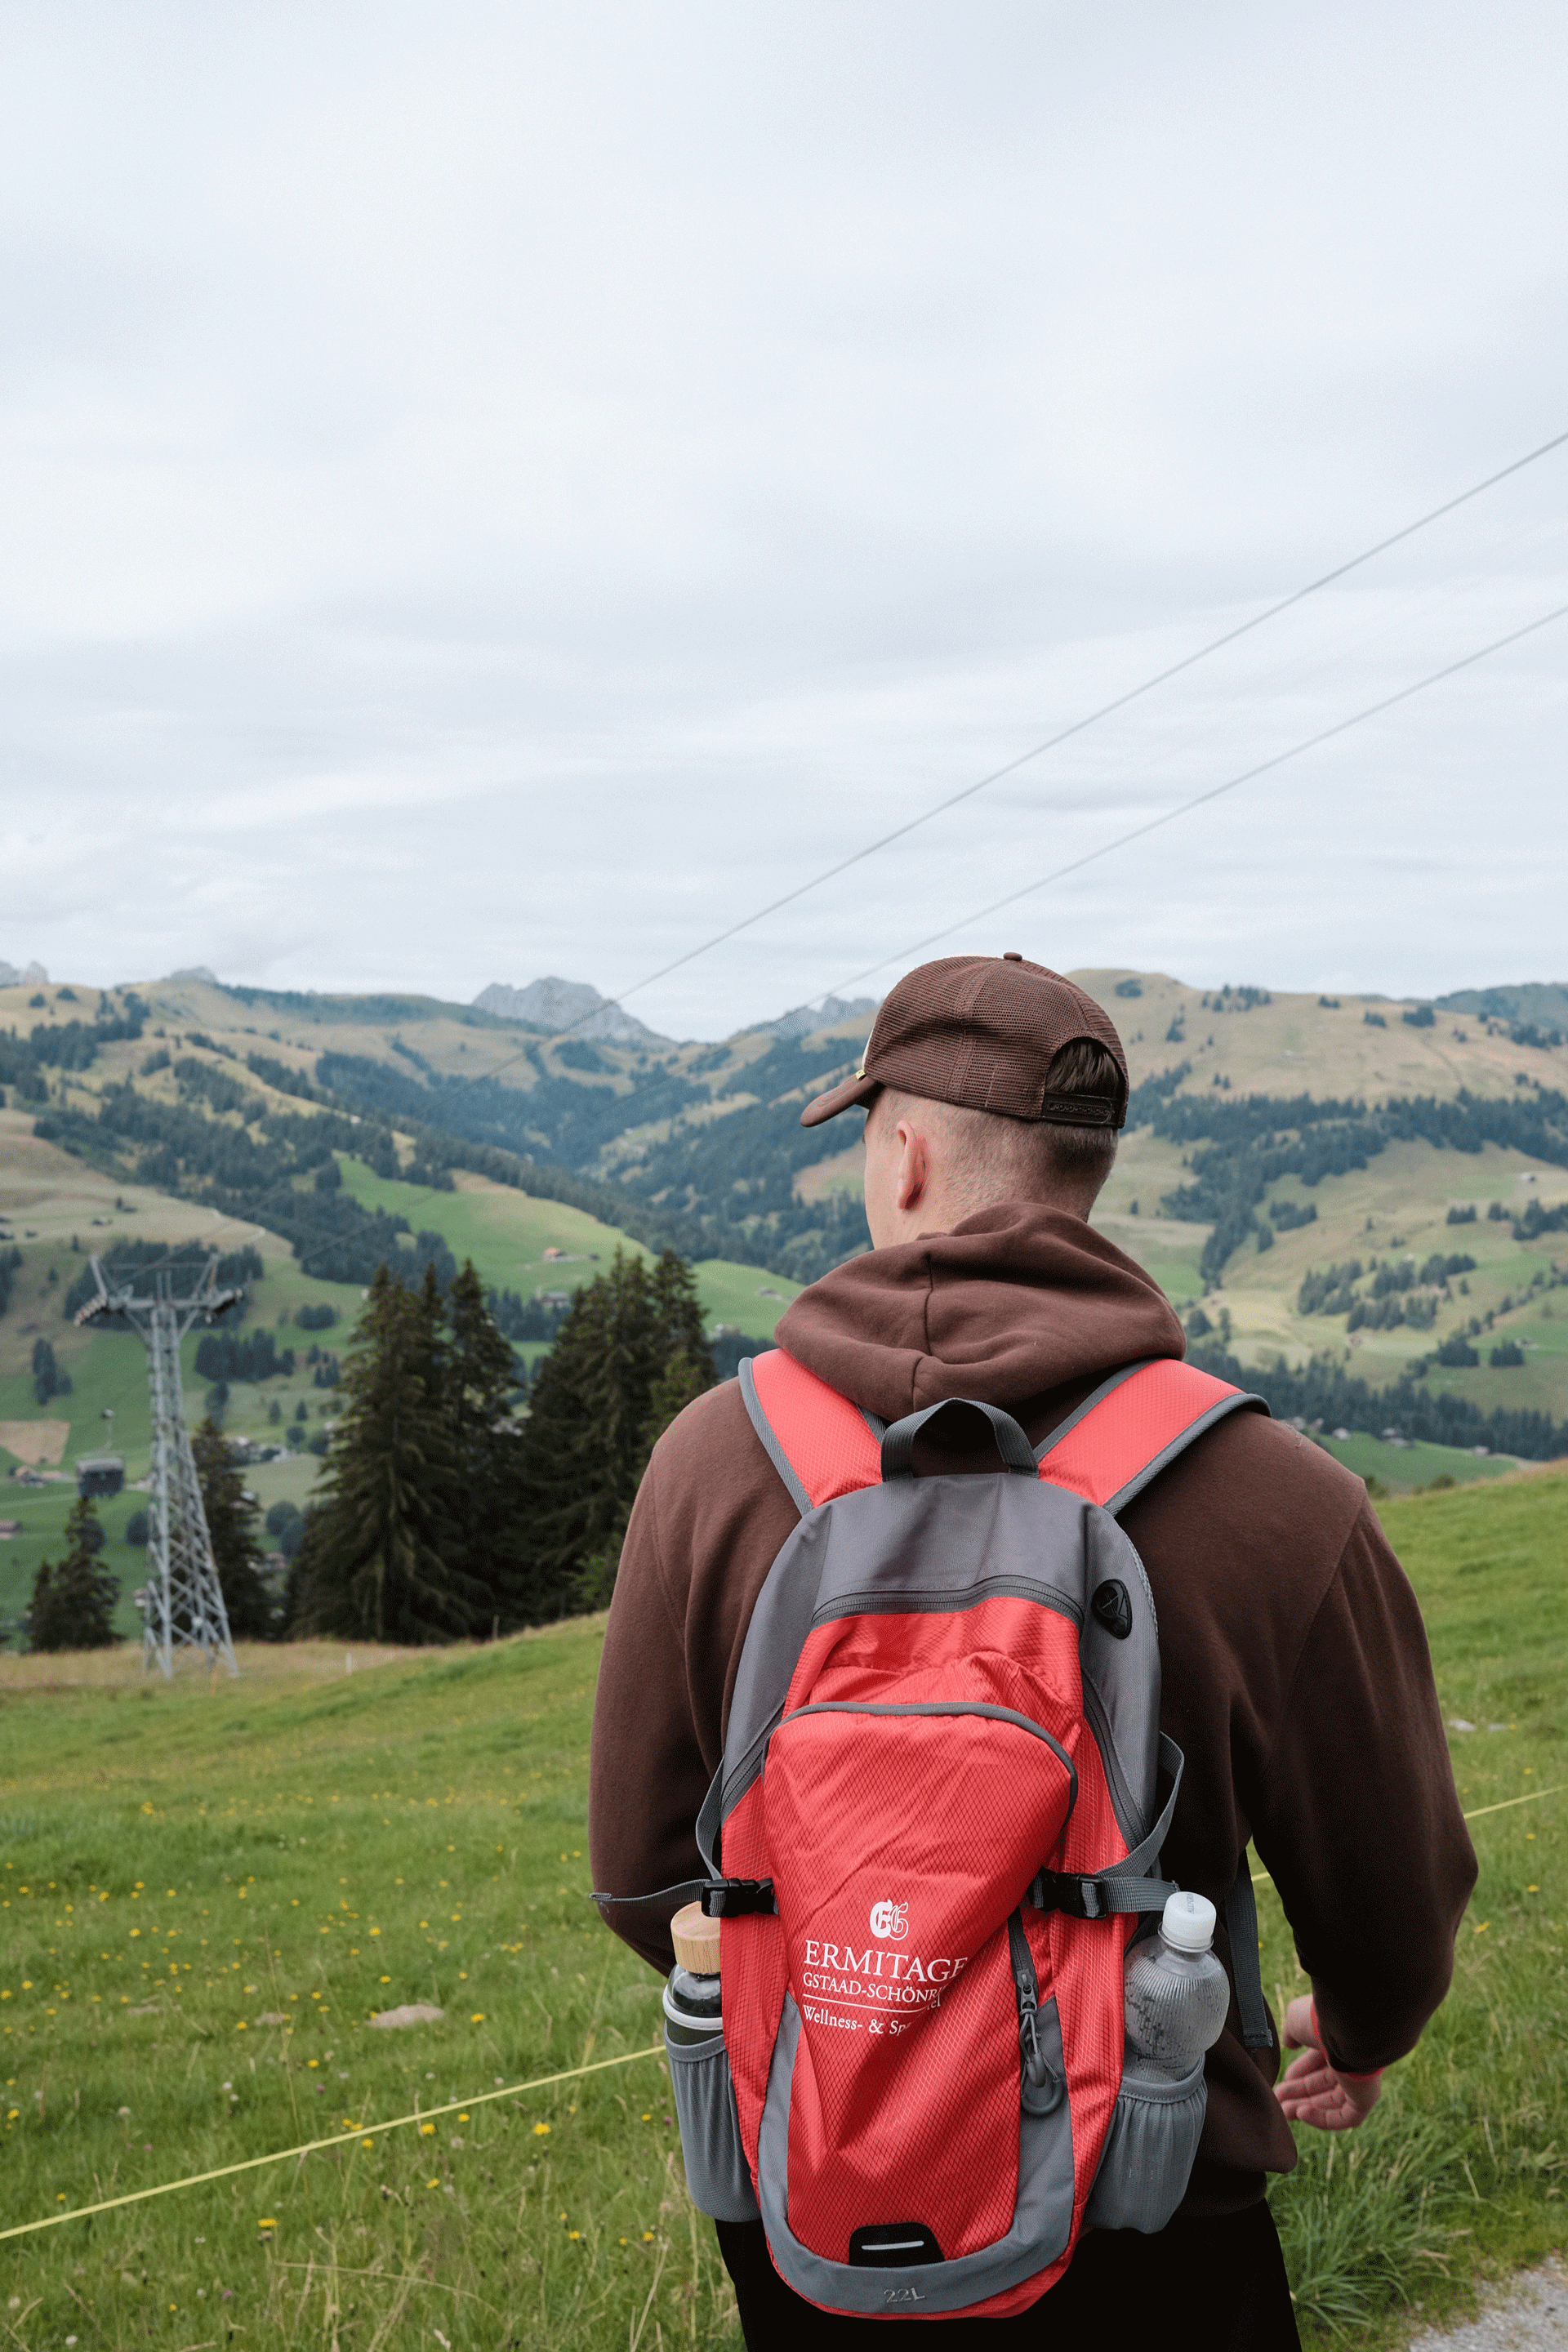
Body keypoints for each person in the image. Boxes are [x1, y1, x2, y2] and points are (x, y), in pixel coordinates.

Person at [590, 953, 1476, 2350]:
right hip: (1155, 2206)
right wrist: (1357, 2036)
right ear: (1086, 1173)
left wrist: (877, 2008)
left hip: (814, 2215)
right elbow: (1395, 1899)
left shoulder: (712, 1468)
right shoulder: (1279, 1497)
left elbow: (645, 1879)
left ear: (909, 1151)